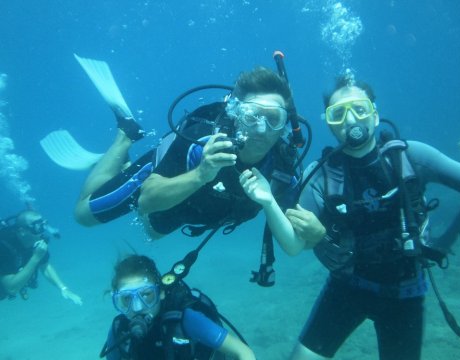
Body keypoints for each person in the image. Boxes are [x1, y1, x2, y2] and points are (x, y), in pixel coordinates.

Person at [240, 76, 460, 360]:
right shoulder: (320, 175)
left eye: (360, 109)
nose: (350, 119)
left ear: (375, 115)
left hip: (405, 293)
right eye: (338, 113)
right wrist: (269, 202)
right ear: (329, 123)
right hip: (347, 287)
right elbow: (294, 246)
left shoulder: (410, 156)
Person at [74, 66, 298, 240]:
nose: (261, 129)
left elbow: (296, 233)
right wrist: (201, 174)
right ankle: (125, 137)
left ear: (285, 125)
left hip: (192, 208)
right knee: (84, 216)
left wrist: (316, 233)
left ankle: (123, 167)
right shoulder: (201, 140)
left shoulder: (283, 166)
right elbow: (147, 200)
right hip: (164, 175)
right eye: (251, 116)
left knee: (154, 232)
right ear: (236, 115)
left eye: (273, 119)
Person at [101, 254, 256, 360]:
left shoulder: (184, 320)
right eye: (127, 298)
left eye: (147, 295)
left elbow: (243, 352)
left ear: (161, 292)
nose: (137, 307)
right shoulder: (119, 330)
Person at [0, 209, 83, 305]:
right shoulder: (4, 247)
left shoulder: (36, 239)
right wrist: (36, 257)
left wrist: (63, 288)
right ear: (22, 231)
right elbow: (11, 288)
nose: (41, 230)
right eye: (36, 226)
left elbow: (45, 265)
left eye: (43, 225)